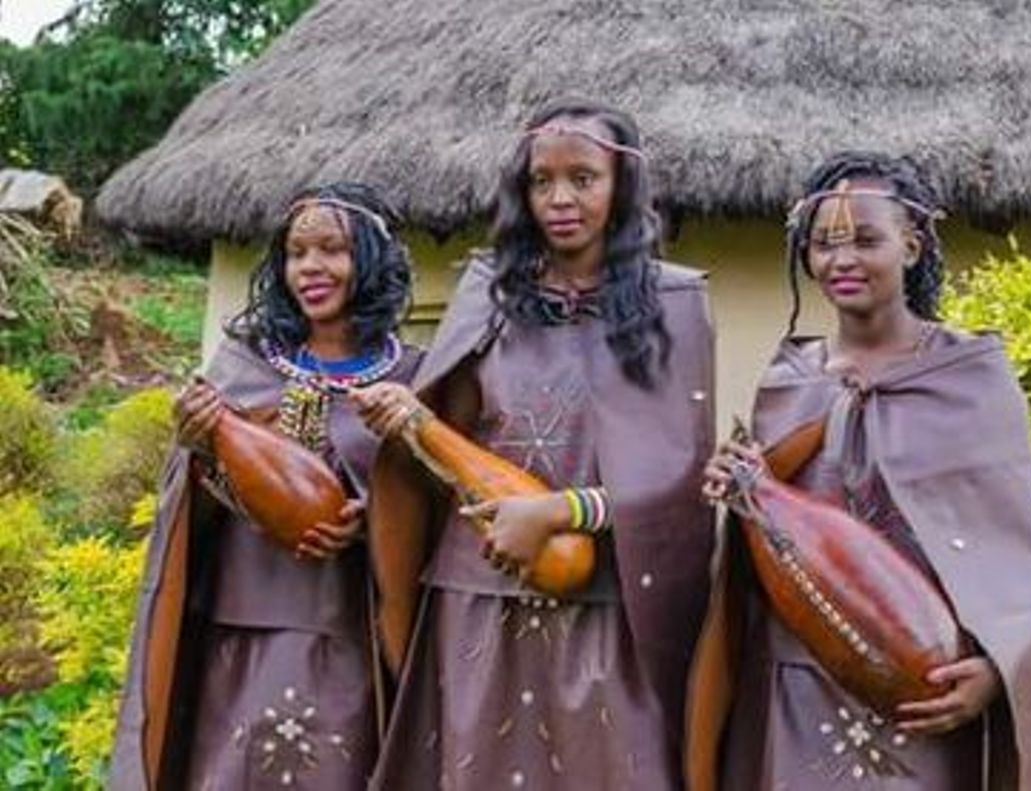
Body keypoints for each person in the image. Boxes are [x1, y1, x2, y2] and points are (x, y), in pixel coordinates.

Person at [360, 98, 716, 790]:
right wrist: (407, 424)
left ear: (622, 188)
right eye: (541, 180)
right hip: (475, 600)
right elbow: (442, 446)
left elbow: (682, 481)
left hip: (609, 609)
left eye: (583, 178)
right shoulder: (486, 292)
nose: (560, 198)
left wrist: (559, 513)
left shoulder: (676, 302)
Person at [691, 152, 1031, 790]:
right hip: (798, 685)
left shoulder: (967, 378)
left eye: (866, 239)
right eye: (824, 243)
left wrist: (997, 669)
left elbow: (1018, 550)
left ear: (911, 247)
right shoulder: (787, 381)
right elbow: (768, 544)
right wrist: (740, 488)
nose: (843, 260)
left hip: (925, 689)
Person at [109, 182, 424, 790]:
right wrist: (200, 451)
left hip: (353, 632)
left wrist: (378, 518)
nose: (311, 267)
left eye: (332, 250)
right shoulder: (240, 366)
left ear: (373, 261)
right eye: (296, 253)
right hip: (240, 630)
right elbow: (187, 510)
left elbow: (436, 504)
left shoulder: (413, 377)